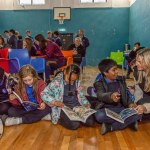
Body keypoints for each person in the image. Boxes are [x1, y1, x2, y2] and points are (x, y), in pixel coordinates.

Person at [94, 59, 140, 135]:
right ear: (105, 73)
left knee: (139, 112)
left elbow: (126, 95)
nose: (117, 72)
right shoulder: (99, 83)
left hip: (121, 109)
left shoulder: (121, 80)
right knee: (99, 116)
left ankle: (110, 127)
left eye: (117, 69)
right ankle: (129, 121)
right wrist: (111, 96)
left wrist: (130, 104)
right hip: (106, 110)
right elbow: (100, 95)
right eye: (113, 70)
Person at [41, 64, 94, 130]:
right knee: (74, 125)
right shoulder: (56, 82)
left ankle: (77, 118)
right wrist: (54, 102)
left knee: (90, 122)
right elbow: (43, 94)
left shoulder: (77, 82)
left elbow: (81, 95)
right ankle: (60, 119)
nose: (70, 81)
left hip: (76, 106)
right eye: (68, 78)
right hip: (64, 108)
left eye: (73, 80)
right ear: (65, 72)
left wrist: (85, 103)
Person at [133, 48, 150, 120]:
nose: (136, 63)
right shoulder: (136, 71)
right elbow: (138, 90)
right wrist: (136, 103)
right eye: (136, 60)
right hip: (147, 98)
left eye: (139, 61)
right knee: (138, 104)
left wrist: (145, 107)